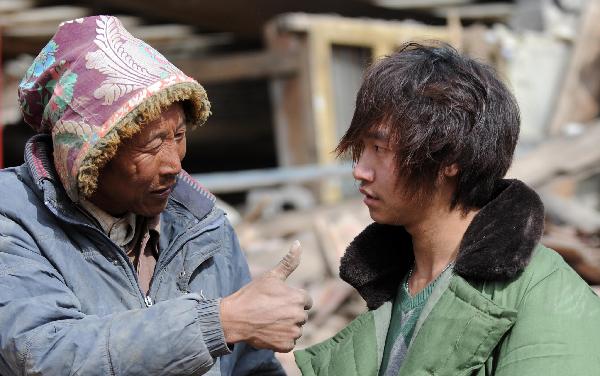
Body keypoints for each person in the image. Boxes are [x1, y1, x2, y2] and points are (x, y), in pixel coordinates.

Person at [0, 15, 311, 375]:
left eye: (178, 135)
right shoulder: (15, 219)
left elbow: (249, 367)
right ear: (88, 157)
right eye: (151, 146)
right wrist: (219, 323)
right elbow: (47, 355)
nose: (173, 164)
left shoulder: (202, 227)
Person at [294, 42, 600, 375]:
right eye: (361, 149)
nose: (360, 170)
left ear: (448, 159)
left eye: (379, 148)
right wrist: (232, 324)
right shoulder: (399, 287)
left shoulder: (545, 293)